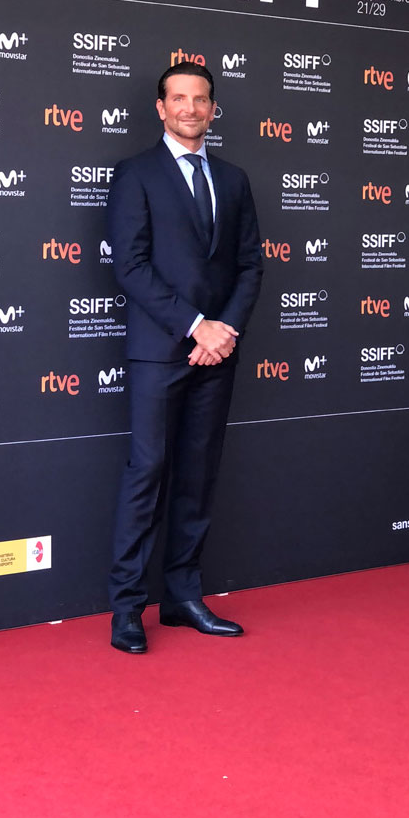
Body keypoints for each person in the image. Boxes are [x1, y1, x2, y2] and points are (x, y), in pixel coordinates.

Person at [107, 60, 263, 653]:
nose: (190, 109)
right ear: (161, 107)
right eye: (179, 98)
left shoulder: (234, 179)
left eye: (201, 99)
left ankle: (181, 597)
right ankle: (127, 609)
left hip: (217, 354)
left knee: (197, 476)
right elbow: (130, 266)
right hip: (160, 351)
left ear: (213, 108)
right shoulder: (136, 174)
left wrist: (224, 332)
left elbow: (250, 264)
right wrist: (197, 327)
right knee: (147, 474)